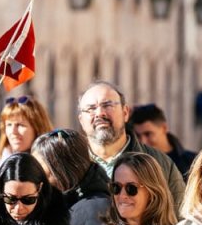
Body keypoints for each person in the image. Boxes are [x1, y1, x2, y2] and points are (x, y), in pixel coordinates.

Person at [77, 81, 185, 211]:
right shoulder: (69, 166)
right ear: (81, 120)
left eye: (107, 105)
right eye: (91, 108)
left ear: (125, 113)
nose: (100, 113)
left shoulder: (159, 163)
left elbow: (181, 218)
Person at [0, 94, 52, 175]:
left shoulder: (51, 171)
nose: (13, 131)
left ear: (37, 128)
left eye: (20, 125)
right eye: (9, 125)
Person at [131, 103, 197, 176]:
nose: (142, 141)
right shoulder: (132, 163)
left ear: (164, 128)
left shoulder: (193, 162)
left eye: (148, 134)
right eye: (137, 135)